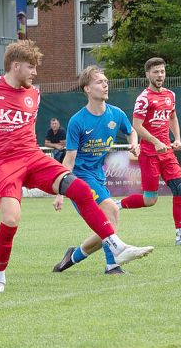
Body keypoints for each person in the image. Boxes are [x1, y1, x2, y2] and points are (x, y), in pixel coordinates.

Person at [0, 40, 153, 293]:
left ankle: (116, 246)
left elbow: (27, 130)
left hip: (32, 157)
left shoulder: (34, 93)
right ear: (16, 65)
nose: (35, 73)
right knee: (11, 220)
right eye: (31, 67)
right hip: (4, 163)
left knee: (79, 189)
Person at [51, 66, 140, 275]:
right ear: (87, 89)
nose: (106, 84)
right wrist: (60, 192)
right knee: (112, 211)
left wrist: (134, 143)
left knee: (107, 225)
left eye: (106, 81)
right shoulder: (78, 121)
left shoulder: (116, 114)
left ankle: (73, 256)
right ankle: (112, 265)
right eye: (100, 82)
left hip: (98, 177)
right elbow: (69, 158)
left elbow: (131, 131)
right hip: (80, 179)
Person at [118, 57, 181, 245]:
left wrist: (177, 138)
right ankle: (116, 205)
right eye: (156, 72)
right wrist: (155, 142)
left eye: (162, 71)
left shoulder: (170, 95)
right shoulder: (143, 99)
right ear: (148, 74)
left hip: (167, 152)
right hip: (148, 153)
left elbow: (172, 117)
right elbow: (136, 126)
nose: (160, 75)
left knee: (180, 189)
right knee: (150, 200)